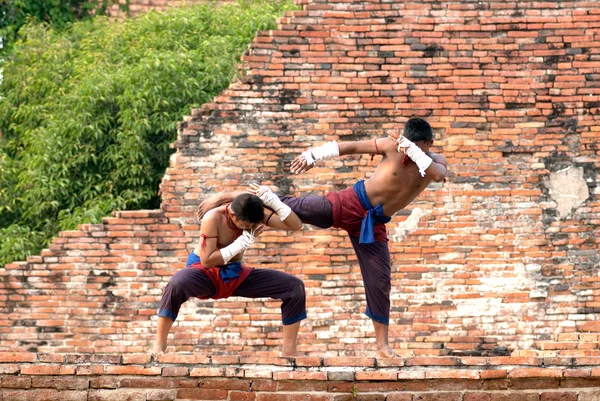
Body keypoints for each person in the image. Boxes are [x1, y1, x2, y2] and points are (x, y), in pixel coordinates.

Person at [198, 117, 448, 357]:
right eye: (408, 145)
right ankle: (228, 197)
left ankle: (382, 346)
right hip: (352, 202)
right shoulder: (391, 146)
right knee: (291, 206)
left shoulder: (435, 160)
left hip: (373, 224)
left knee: (380, 280)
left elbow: (437, 175)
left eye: (417, 147)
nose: (409, 151)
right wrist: (313, 155)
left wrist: (412, 149)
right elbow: (349, 147)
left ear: (429, 145)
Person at [154, 184, 306, 357]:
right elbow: (206, 261)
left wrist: (275, 203)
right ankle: (159, 345)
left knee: (294, 287)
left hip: (235, 273)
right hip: (205, 273)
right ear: (232, 215)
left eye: (252, 225)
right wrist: (239, 245)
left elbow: (295, 225)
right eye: (245, 225)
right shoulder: (213, 218)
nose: (247, 228)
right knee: (177, 283)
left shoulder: (251, 213)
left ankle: (289, 351)